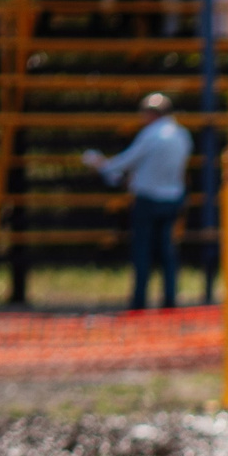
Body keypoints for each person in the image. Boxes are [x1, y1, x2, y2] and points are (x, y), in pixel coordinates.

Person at [82, 90, 192, 310]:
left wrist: (101, 165)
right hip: (173, 199)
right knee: (167, 251)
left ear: (152, 114)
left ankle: (139, 302)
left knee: (142, 251)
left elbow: (125, 162)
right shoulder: (182, 135)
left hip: (148, 199)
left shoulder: (151, 135)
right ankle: (170, 300)